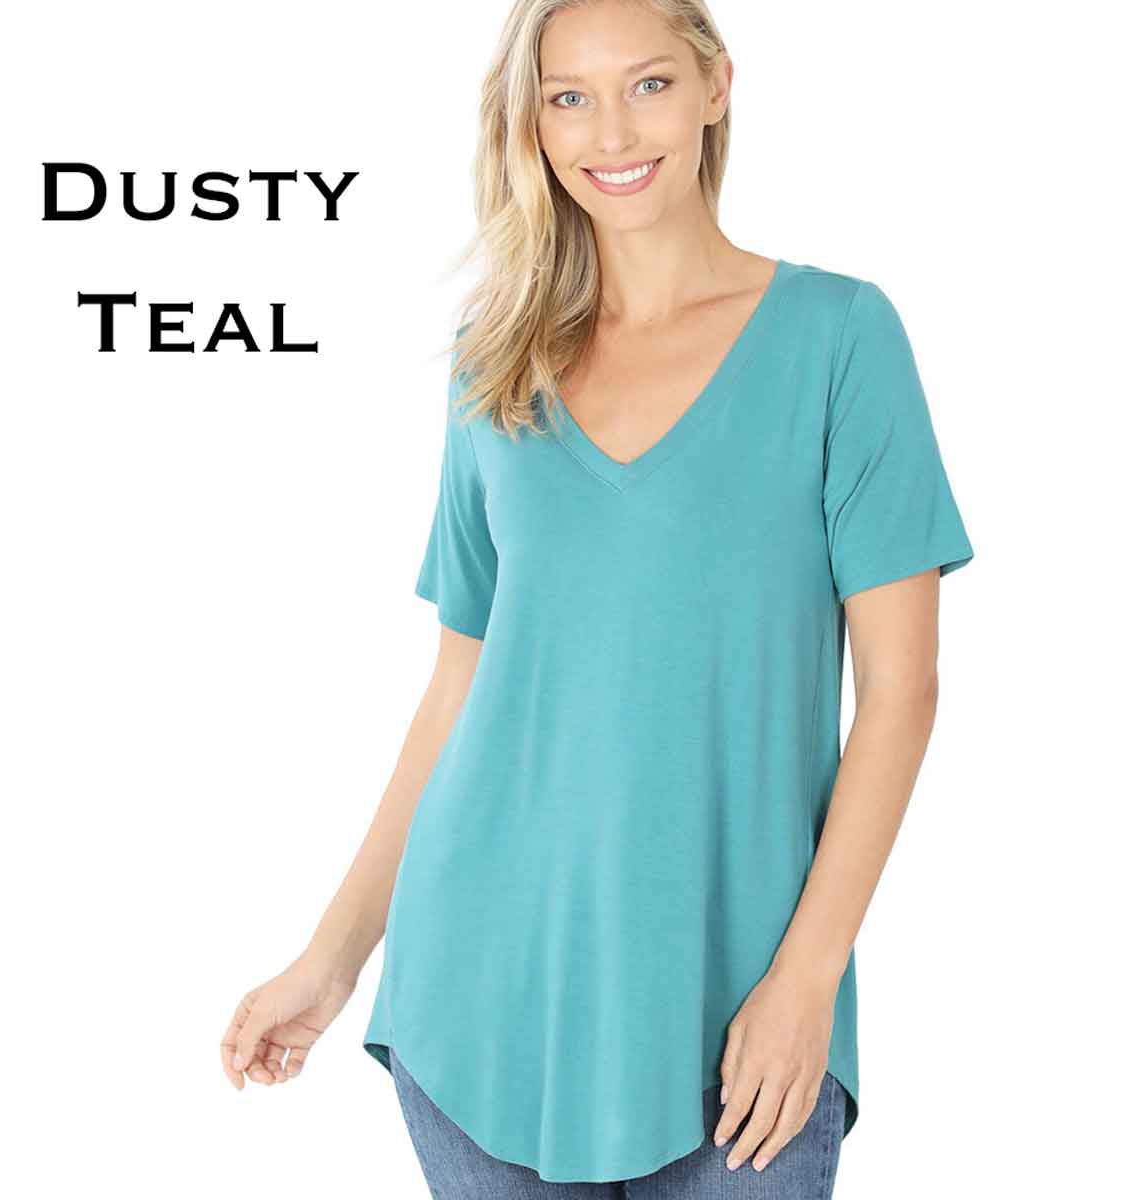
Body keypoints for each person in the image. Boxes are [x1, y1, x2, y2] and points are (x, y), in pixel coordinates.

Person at [219, 1, 975, 1195]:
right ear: (532, 124)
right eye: (567, 97)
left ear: (716, 87)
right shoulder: (494, 360)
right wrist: (332, 958)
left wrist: (807, 981)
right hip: (478, 999)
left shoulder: (839, 338)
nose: (610, 131)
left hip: (742, 1018)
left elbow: (901, 690)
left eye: (648, 84)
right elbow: (459, 690)